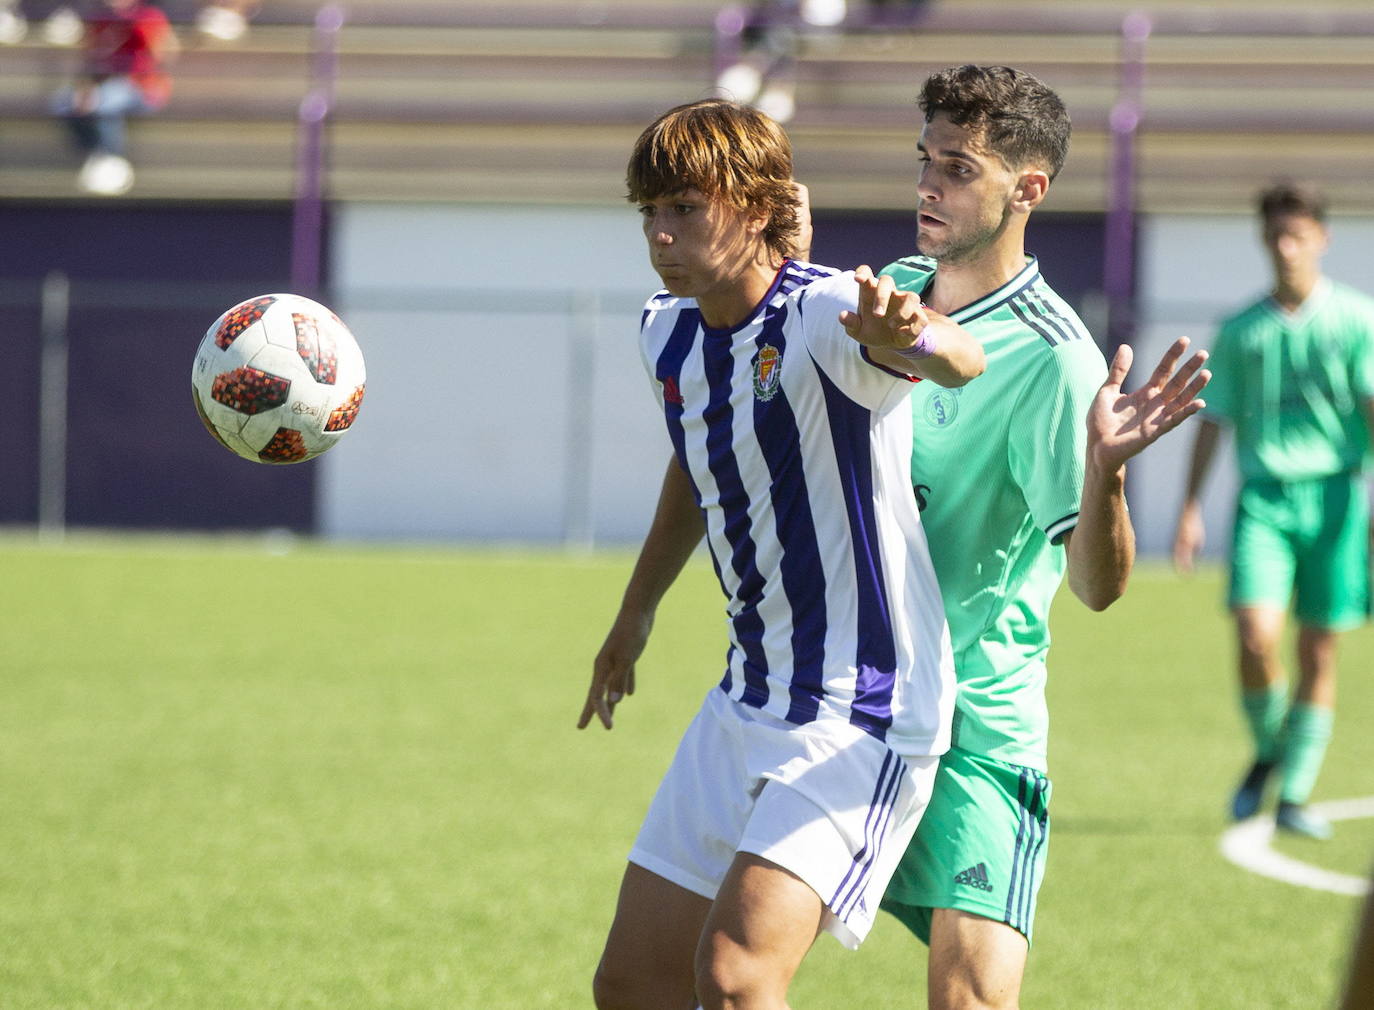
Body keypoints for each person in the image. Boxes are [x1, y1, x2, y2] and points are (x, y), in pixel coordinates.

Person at [578, 97, 985, 1010]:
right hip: (747, 696)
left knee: (735, 978)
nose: (660, 233)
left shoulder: (828, 312)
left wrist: (908, 334)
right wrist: (633, 615)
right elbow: (700, 461)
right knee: (631, 982)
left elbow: (964, 359)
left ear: (759, 207)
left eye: (684, 207)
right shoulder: (666, 331)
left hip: (862, 707)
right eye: (649, 211)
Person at [868, 65, 1211, 1010]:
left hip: (976, 725)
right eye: (926, 160)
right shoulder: (890, 293)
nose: (930, 186)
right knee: (727, 966)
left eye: (960, 168)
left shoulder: (1056, 356)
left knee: (970, 999)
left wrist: (1106, 472)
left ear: (1029, 190)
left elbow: (1098, 587)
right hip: (849, 701)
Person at [1173, 182, 1374, 841]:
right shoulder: (1240, 328)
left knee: (1318, 648)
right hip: (1264, 499)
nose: (1286, 247)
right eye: (1276, 236)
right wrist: (1191, 505)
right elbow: (1215, 419)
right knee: (1256, 636)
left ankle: (1294, 794)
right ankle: (1270, 747)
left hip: (1337, 496)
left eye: (1298, 234)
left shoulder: (1355, 319)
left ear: (1322, 238)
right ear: (1265, 242)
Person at [51, 0, 178, 196]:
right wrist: (86, 89)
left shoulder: (146, 17)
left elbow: (160, 56)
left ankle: (111, 159)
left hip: (144, 88)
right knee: (64, 102)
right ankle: (93, 154)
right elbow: (91, 60)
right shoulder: (100, 19)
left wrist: (131, 27)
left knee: (107, 100)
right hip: (104, 86)